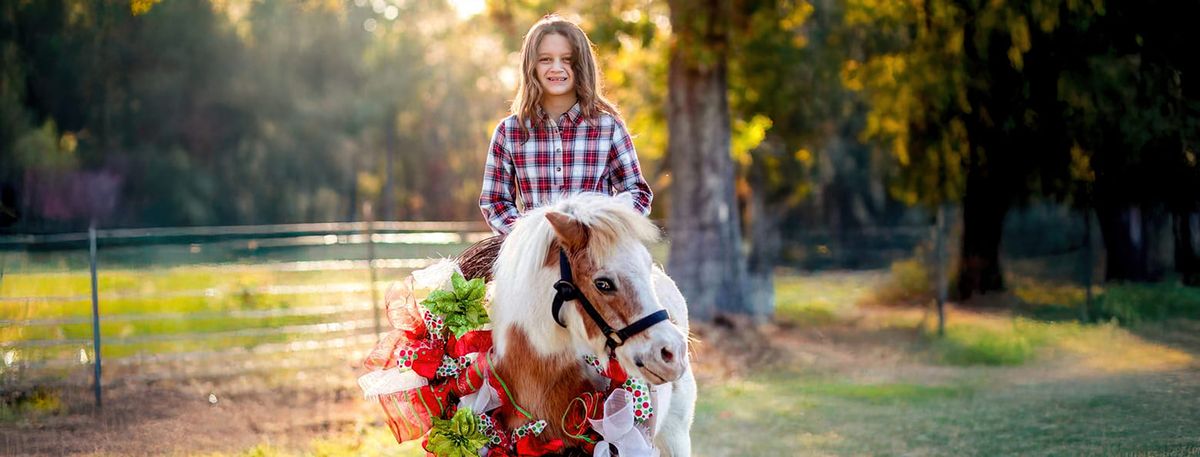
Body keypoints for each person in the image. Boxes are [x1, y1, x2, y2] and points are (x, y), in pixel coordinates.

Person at [479, 14, 653, 235]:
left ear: (581, 65)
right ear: (531, 66)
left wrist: (603, 228)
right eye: (545, 59)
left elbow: (638, 193)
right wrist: (529, 238)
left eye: (567, 59)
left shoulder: (608, 128)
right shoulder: (509, 132)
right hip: (536, 260)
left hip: (596, 257)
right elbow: (495, 202)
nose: (557, 68)